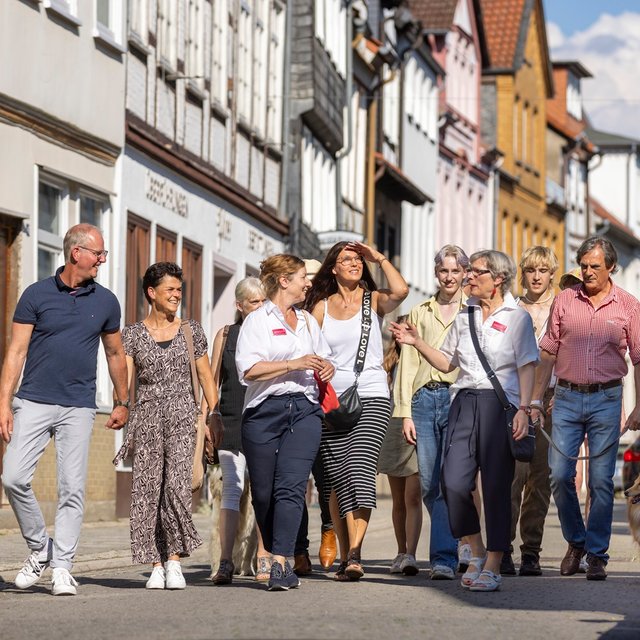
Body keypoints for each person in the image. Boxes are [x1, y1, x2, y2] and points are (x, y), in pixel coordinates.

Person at [392, 250, 539, 592]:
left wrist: (524, 408)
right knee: (453, 482)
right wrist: (416, 342)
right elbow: (446, 363)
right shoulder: (465, 315)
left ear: (498, 279)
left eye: (475, 272)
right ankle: (475, 549)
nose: (467, 277)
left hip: (500, 406)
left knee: (497, 487)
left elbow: (527, 365)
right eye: (468, 271)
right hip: (463, 402)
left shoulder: (517, 317)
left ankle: (493, 562)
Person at [0, 223, 129, 596]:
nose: (102, 260)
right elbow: (16, 352)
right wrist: (4, 402)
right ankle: (42, 548)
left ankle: (62, 567)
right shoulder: (36, 294)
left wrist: (122, 402)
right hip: (34, 400)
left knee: (72, 488)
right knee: (13, 477)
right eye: (98, 253)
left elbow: (116, 353)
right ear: (77, 253)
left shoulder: (106, 301)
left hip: (78, 406)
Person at [531, 236, 640, 581]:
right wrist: (534, 400)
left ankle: (596, 554)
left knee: (600, 481)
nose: (588, 272)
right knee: (560, 475)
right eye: (584, 265)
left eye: (595, 266)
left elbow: (639, 359)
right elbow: (548, 352)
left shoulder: (628, 306)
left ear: (611, 268)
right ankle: (575, 541)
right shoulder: (564, 300)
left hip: (607, 399)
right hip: (565, 398)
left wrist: (638, 408)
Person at [304, 241, 409, 581]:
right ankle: (347, 551)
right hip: (333, 401)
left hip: (372, 394)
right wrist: (320, 366)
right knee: (336, 479)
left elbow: (401, 289)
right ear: (332, 268)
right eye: (346, 259)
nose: (354, 263)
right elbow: (309, 348)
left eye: (357, 259)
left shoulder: (373, 300)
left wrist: (378, 257)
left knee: (360, 468)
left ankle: (355, 553)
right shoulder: (320, 307)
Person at [114, 262, 222, 590]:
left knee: (176, 486)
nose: (177, 295)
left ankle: (174, 560)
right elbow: (126, 381)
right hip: (146, 419)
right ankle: (155, 563)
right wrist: (121, 405)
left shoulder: (191, 330)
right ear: (152, 293)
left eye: (179, 289)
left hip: (182, 418)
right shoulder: (132, 334)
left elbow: (206, 378)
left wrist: (212, 418)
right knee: (147, 491)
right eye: (170, 290)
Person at [235, 254, 335, 591]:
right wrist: (293, 363)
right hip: (264, 411)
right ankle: (278, 553)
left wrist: (326, 367)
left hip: (304, 410)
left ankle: (280, 563)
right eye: (303, 277)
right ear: (283, 281)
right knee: (263, 493)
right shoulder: (257, 321)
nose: (309, 283)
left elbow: (323, 358)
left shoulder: (308, 321)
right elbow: (248, 370)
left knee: (292, 486)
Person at [393, 244, 468, 579]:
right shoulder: (419, 311)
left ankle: (443, 557)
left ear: (465, 273)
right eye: (443, 271)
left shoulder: (473, 310)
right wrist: (405, 411)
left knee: (449, 480)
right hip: (423, 401)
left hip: (457, 399)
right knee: (427, 484)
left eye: (455, 271)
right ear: (436, 274)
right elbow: (407, 363)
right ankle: (453, 537)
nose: (449, 277)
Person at [205, 277, 270, 584]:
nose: (259, 308)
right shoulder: (227, 334)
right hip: (231, 420)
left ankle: (263, 557)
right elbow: (213, 379)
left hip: (265, 419)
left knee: (262, 492)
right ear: (239, 305)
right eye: (253, 302)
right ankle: (226, 561)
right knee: (231, 490)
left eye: (263, 301)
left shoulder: (272, 333)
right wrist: (210, 416)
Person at [503, 246, 558, 577]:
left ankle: (531, 551)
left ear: (552, 273)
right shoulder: (512, 308)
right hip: (516, 401)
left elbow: (569, 352)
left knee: (540, 478)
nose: (536, 277)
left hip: (552, 399)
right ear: (522, 273)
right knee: (512, 477)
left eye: (543, 271)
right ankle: (503, 547)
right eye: (531, 270)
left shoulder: (561, 307)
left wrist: (558, 392)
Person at [293, 258, 338, 575]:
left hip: (321, 402)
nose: (307, 282)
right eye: (302, 276)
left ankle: (328, 528)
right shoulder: (282, 313)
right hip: (293, 402)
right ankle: (299, 550)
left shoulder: (327, 309)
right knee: (295, 481)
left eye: (312, 276)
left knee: (324, 478)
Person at [378, 315, 422, 575]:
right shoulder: (388, 361)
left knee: (413, 495)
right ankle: (400, 550)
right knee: (398, 501)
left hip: (417, 424)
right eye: (398, 329)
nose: (401, 333)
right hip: (393, 427)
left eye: (406, 329)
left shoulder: (421, 355)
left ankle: (412, 555)